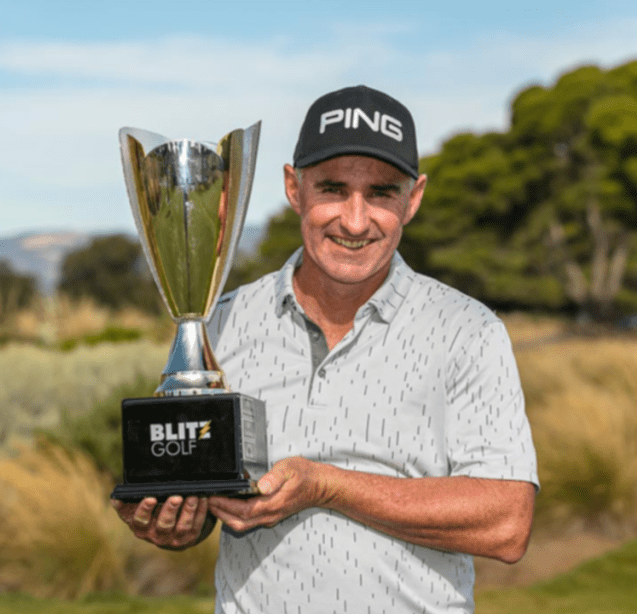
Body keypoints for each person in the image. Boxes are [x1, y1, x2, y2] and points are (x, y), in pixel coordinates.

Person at [112, 85, 539, 614]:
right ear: (294, 187)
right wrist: (177, 522)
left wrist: (326, 486)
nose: (355, 221)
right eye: (332, 189)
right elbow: (208, 492)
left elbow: (506, 523)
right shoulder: (218, 319)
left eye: (382, 193)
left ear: (415, 197)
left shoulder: (468, 328)